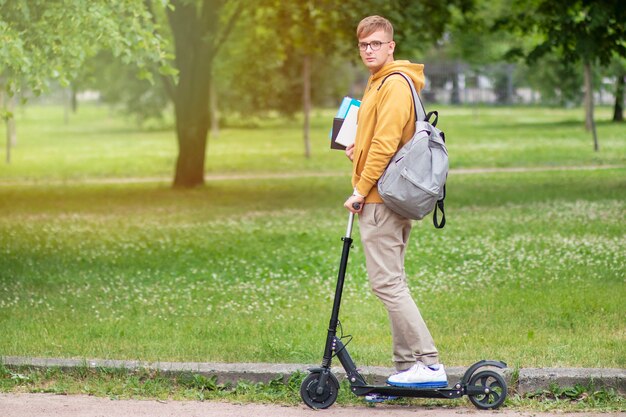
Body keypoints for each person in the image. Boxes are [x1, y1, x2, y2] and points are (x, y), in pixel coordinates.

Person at [343, 15, 447, 390]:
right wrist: (357, 151)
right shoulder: (378, 83)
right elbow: (382, 139)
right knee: (393, 282)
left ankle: (429, 364)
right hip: (383, 195)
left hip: (379, 200)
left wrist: (360, 189)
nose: (369, 50)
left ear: (391, 46)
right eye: (363, 45)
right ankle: (406, 366)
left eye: (376, 44)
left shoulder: (394, 85)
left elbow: (387, 145)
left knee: (387, 284)